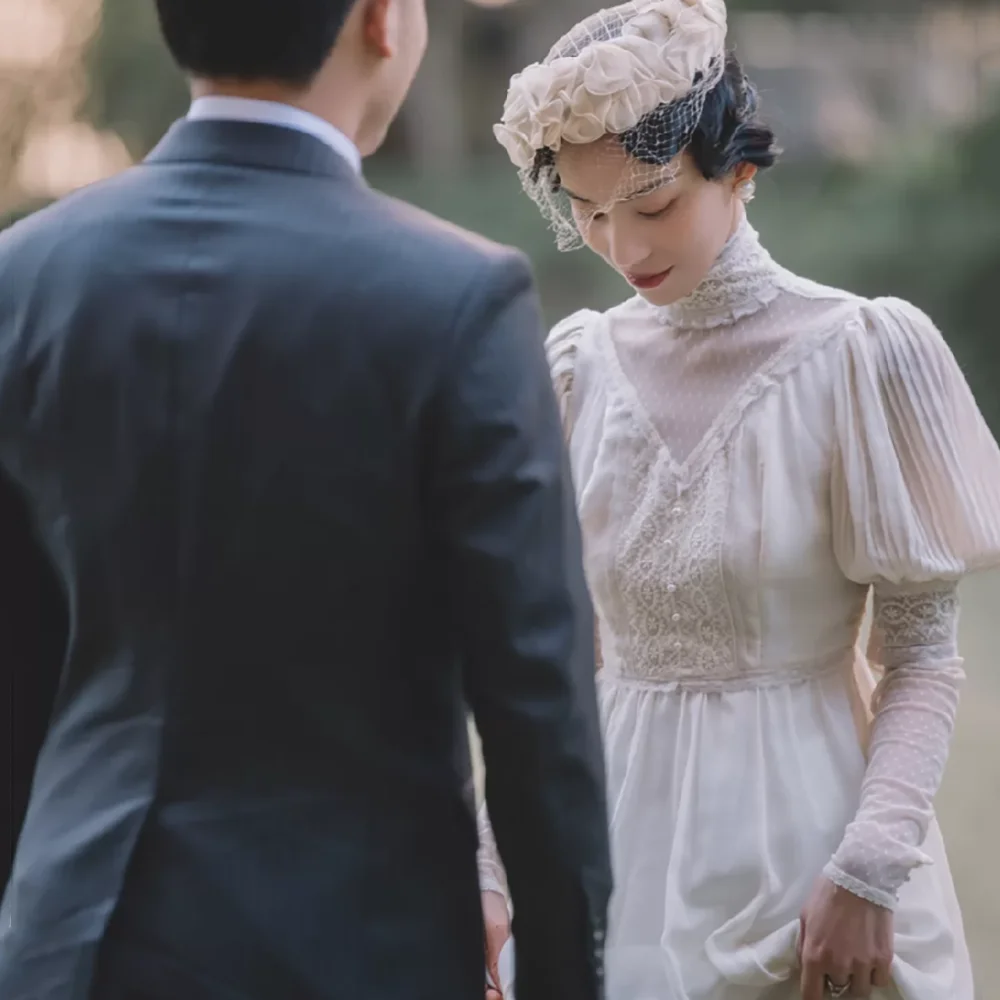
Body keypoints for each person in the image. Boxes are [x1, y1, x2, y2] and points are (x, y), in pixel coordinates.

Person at [0, 1, 613, 998]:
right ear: (380, 20)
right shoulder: (456, 300)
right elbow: (537, 704)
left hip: (72, 945)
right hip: (352, 951)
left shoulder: (25, 276)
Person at [475, 1, 1000, 998]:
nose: (622, 243)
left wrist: (869, 868)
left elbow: (924, 657)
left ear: (740, 167)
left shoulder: (858, 355)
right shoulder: (577, 369)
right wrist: (495, 867)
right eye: (589, 213)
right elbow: (560, 662)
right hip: (615, 856)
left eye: (653, 202)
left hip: (811, 856)